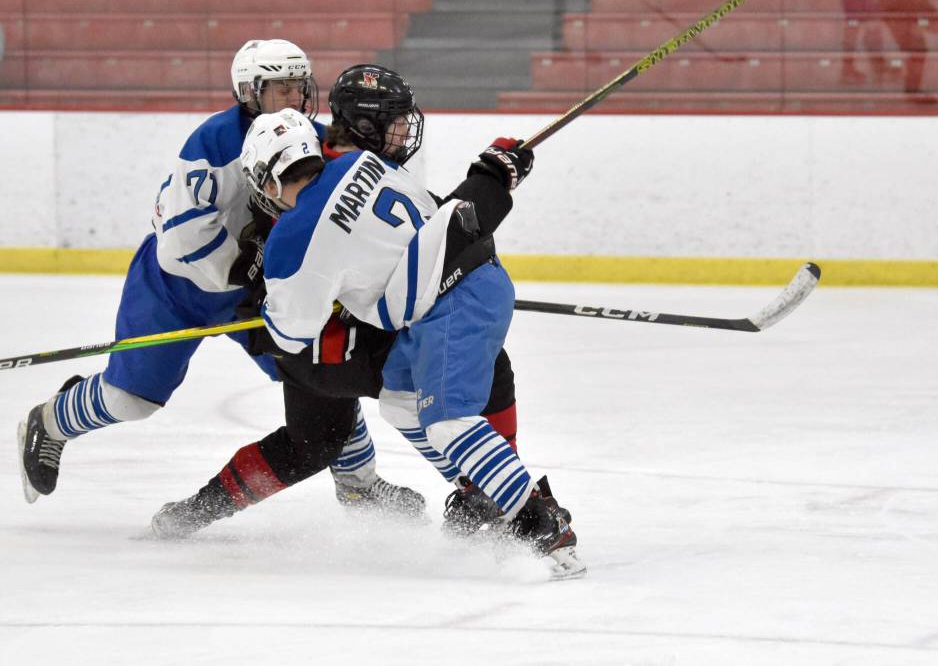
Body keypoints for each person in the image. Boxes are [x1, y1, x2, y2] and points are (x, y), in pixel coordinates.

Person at [17, 40, 421, 516]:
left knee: (320, 375)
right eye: (278, 89)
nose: (292, 100)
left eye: (298, 87)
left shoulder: (306, 136)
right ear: (249, 92)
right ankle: (52, 421)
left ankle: (359, 483)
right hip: (178, 291)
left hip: (249, 294)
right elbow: (182, 243)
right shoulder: (211, 145)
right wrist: (247, 266)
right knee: (130, 400)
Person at [150, 70, 527, 544]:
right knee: (350, 424)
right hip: (323, 339)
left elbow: (430, 235)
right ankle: (488, 498)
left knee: (320, 438)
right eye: (393, 123)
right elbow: (441, 236)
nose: (404, 133)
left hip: (325, 328)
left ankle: (195, 512)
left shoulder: (325, 156)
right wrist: (490, 185)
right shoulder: (324, 167)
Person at [236, 65, 585, 578]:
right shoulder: (359, 163)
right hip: (457, 289)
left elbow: (292, 333)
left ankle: (542, 528)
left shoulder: (293, 237)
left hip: (451, 303)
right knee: (402, 404)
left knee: (447, 422)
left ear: (268, 177)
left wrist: (269, 301)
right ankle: (485, 491)